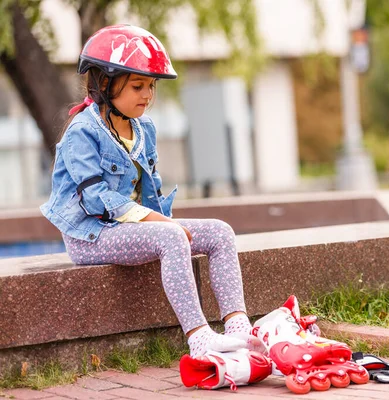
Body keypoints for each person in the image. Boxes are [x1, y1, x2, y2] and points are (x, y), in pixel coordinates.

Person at [40, 25, 259, 359]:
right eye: (137, 86)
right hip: (92, 235)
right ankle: (200, 338)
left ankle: (240, 329)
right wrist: (161, 225)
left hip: (133, 227)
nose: (147, 95)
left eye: (151, 86)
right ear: (104, 84)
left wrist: (161, 220)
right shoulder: (81, 132)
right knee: (172, 238)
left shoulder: (144, 128)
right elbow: (94, 197)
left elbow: (150, 189)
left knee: (220, 232)